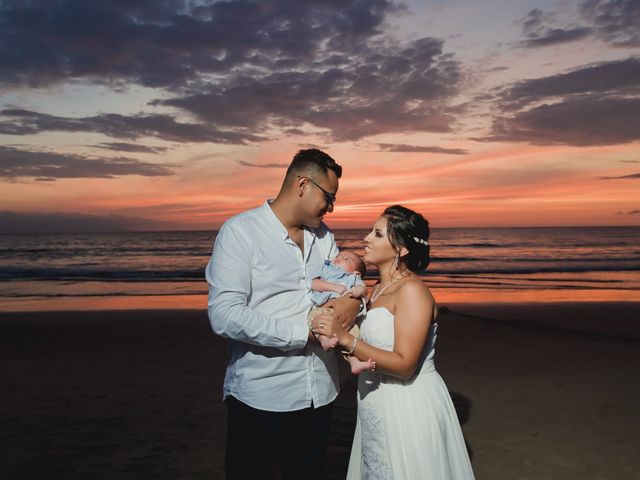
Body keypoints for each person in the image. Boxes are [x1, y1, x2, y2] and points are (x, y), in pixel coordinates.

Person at [205, 149, 363, 480]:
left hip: (320, 392)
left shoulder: (324, 236)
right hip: (261, 395)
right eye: (329, 197)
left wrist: (354, 303)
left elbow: (344, 286)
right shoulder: (241, 232)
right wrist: (303, 330)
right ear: (302, 184)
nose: (331, 207)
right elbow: (225, 314)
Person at [311, 205, 475, 479]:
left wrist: (346, 339)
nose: (366, 238)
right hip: (374, 403)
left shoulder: (413, 291)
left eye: (377, 234)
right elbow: (367, 346)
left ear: (401, 249)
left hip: (406, 403)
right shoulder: (376, 289)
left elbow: (405, 365)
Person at [307, 251, 375, 374]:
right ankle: (323, 340)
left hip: (344, 317)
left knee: (353, 332)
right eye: (338, 256)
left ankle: (354, 362)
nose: (340, 258)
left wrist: (358, 291)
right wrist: (334, 287)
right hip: (322, 308)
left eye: (347, 259)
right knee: (315, 319)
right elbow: (314, 284)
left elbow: (364, 291)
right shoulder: (326, 269)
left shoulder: (354, 278)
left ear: (356, 272)